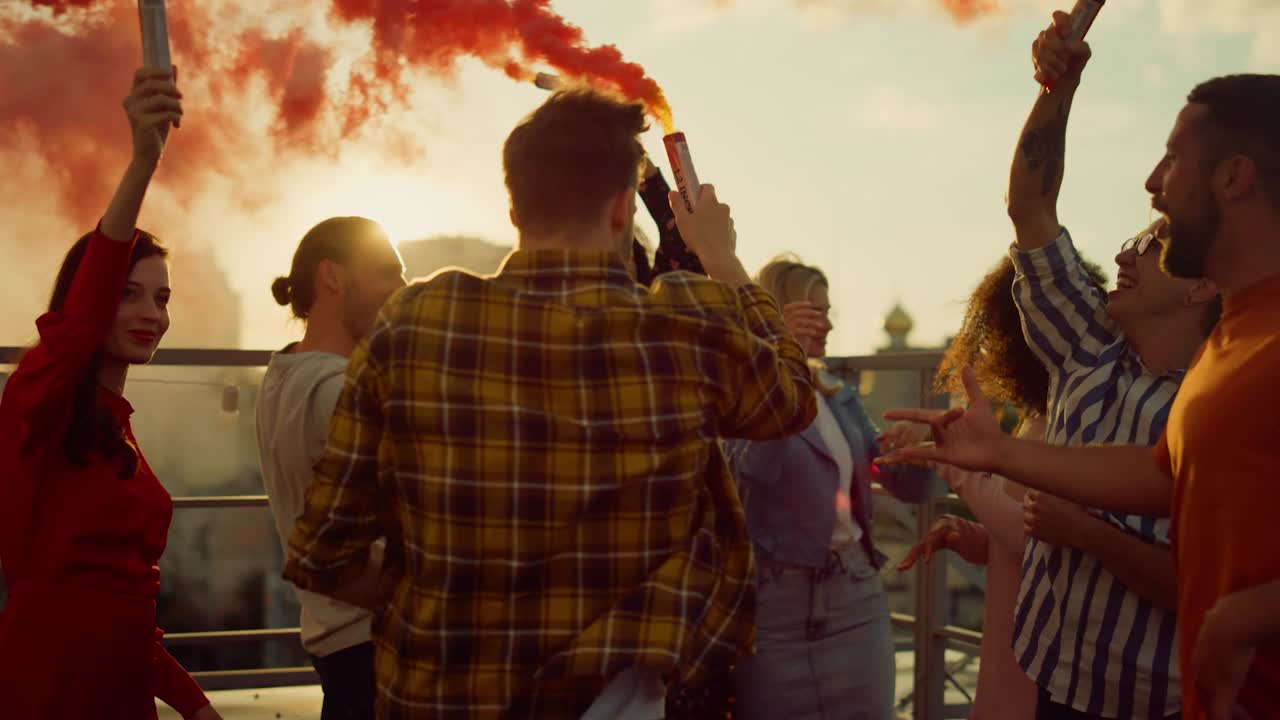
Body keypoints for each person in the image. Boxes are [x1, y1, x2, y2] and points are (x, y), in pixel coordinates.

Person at [282, 87, 817, 718]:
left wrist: (437, 592)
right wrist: (720, 255)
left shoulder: (415, 324)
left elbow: (323, 553)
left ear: (514, 207)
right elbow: (792, 399)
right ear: (622, 210)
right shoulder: (684, 325)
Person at [879, 24, 1280, 720]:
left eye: (1173, 158)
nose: (1153, 185)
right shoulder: (1222, 343)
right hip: (1062, 686)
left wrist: (1245, 615)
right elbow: (1166, 475)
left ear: (1235, 176)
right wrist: (1002, 452)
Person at [0, 68, 220, 720]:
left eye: (161, 297)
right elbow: (77, 328)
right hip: (50, 689)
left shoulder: (117, 430)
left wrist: (197, 706)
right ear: (92, 299)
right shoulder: (39, 403)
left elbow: (128, 615)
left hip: (121, 694)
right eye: (127, 293)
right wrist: (143, 163)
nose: (150, 312)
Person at [898, 255, 1108, 720]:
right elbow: (1018, 539)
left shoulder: (1077, 421)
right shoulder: (1039, 416)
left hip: (1037, 667)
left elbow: (1034, 532)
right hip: (1009, 653)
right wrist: (972, 537)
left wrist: (957, 468)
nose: (992, 353)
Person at [725, 256, 934, 720]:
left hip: (854, 598)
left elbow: (902, 484)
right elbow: (757, 471)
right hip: (772, 612)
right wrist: (783, 361)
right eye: (813, 311)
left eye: (828, 310)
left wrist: (916, 452)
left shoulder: (836, 391)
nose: (828, 324)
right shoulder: (738, 389)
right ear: (771, 312)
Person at [256, 216, 405, 719]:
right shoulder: (342, 390)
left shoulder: (283, 375)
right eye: (387, 271)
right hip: (378, 647)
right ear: (333, 277)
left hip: (335, 649)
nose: (400, 289)